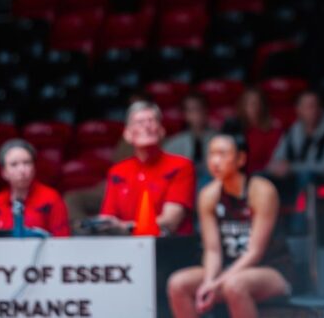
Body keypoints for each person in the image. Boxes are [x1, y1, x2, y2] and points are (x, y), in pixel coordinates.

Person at [168, 134, 293, 318]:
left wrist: (217, 283)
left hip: (272, 270)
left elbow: (255, 252)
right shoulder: (208, 195)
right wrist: (210, 281)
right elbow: (212, 251)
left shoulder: (262, 191)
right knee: (178, 283)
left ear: (241, 159)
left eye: (222, 154)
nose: (215, 161)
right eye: (211, 154)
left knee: (234, 285)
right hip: (226, 270)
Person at [97, 101, 196, 236]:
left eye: (151, 120)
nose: (147, 126)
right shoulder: (117, 171)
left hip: (169, 248)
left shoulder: (181, 166)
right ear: (127, 134)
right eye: (139, 122)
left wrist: (123, 227)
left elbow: (170, 221)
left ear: (161, 131)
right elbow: (107, 219)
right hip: (127, 249)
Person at [268, 90, 324, 183]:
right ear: (298, 109)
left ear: (320, 109)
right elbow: (277, 158)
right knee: (261, 177)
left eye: (314, 106)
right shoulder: (292, 132)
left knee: (306, 177)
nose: (312, 110)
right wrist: (277, 167)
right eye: (307, 106)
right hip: (291, 182)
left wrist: (292, 168)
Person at [0, 140, 69, 236]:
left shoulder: (51, 198)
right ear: (4, 172)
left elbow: (62, 239)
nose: (22, 170)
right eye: (14, 164)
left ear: (34, 167)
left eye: (27, 163)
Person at [163, 92, 219, 185]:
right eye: (190, 110)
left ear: (206, 110)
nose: (195, 114)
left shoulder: (219, 139)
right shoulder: (174, 144)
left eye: (198, 109)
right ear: (185, 114)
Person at [223, 88, 281, 174]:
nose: (253, 106)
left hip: (265, 175)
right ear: (242, 105)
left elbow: (274, 161)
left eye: (257, 102)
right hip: (237, 174)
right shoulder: (233, 127)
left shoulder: (273, 129)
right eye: (249, 103)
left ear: (263, 105)